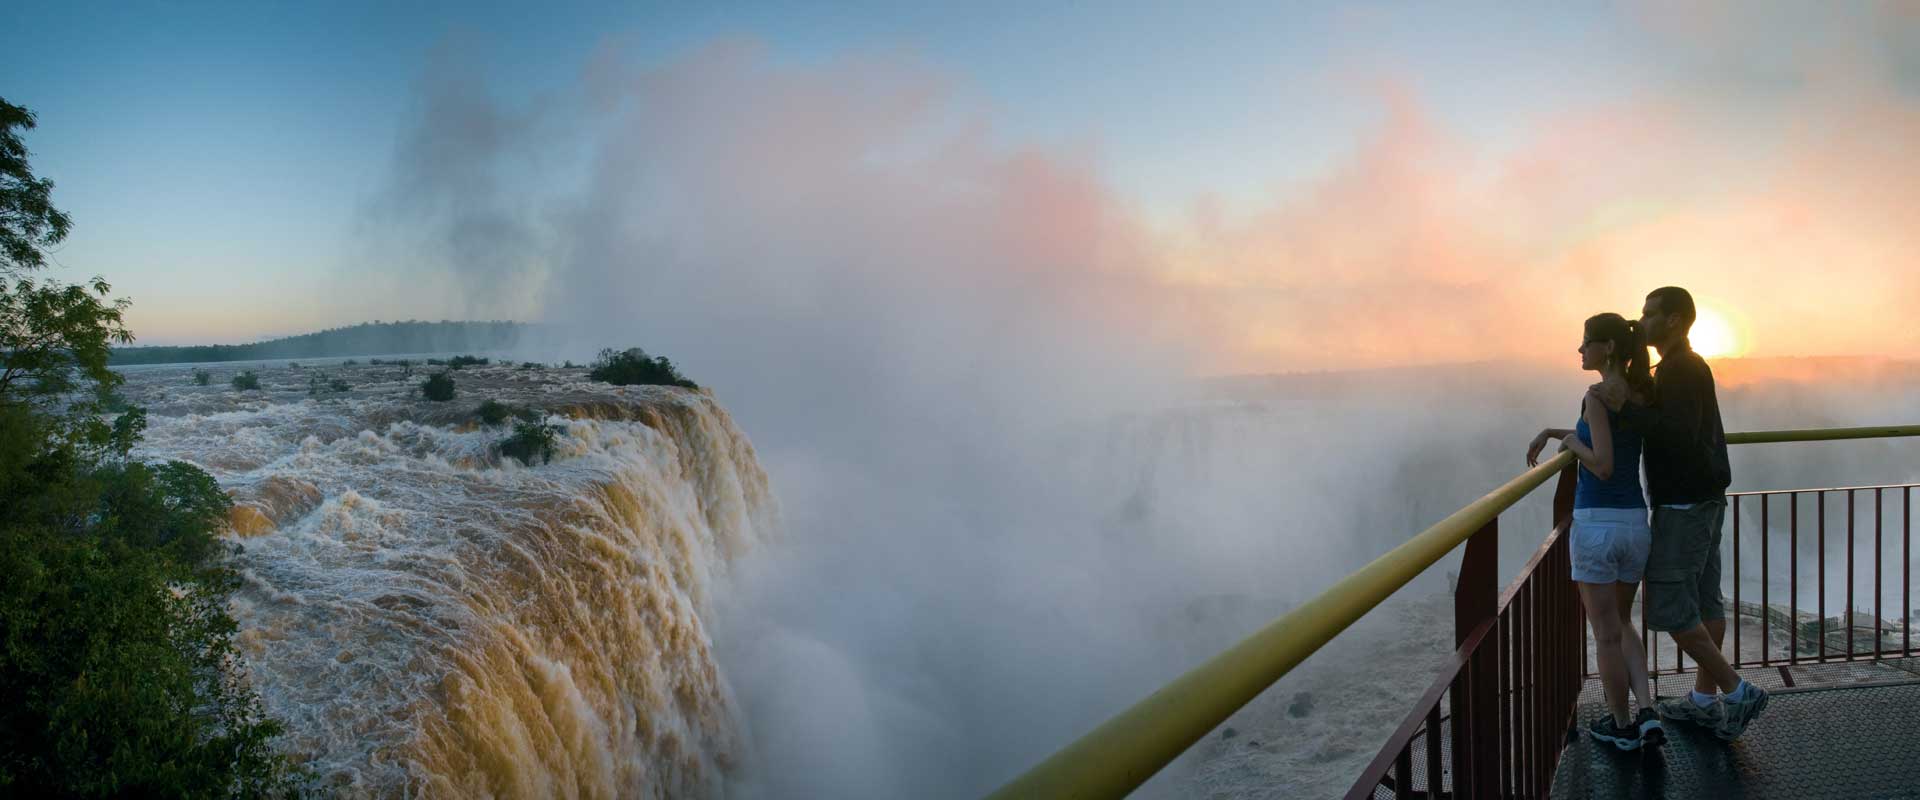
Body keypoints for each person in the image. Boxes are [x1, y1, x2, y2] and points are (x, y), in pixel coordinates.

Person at [1598, 286, 1767, 740]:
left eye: (1649, 314)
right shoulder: (1683, 366)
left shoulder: (1681, 369)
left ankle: (1737, 691)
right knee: (1707, 601)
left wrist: (1625, 408)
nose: (1642, 321)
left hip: (1683, 505)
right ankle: (1703, 700)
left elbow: (1676, 435)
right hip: (1704, 500)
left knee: (1672, 609)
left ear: (1673, 320)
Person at [1528, 313, 1662, 750]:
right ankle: (1647, 712)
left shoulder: (1596, 395)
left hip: (1597, 527)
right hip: (1633, 525)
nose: (1580, 349)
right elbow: (1606, 436)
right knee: (1624, 622)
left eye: (1586, 342)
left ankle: (1621, 725)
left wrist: (1569, 444)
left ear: (1608, 348)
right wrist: (1555, 431)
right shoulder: (1639, 393)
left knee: (1605, 635)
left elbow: (1601, 464)